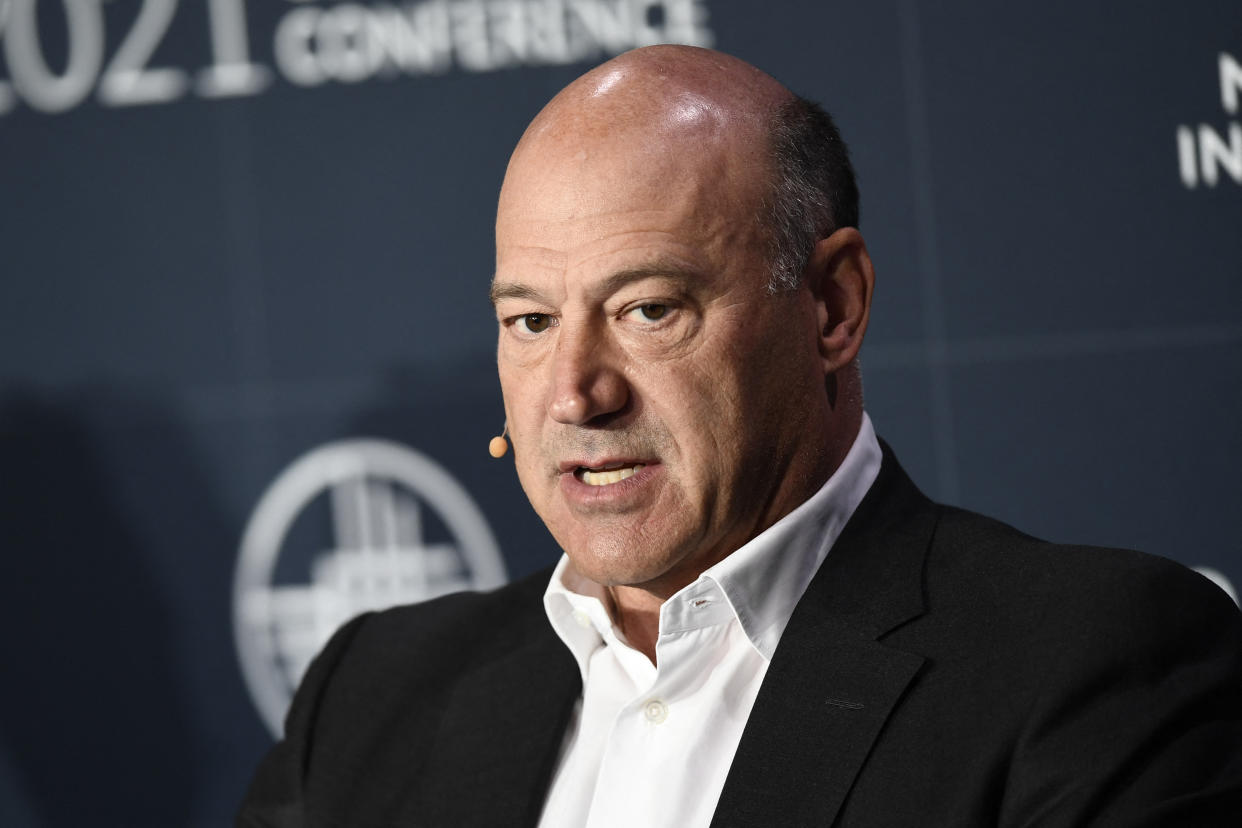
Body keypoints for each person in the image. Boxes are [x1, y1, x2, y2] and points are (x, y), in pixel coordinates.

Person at [238, 46, 1242, 827]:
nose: (576, 394)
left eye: (648, 309)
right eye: (531, 322)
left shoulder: (1086, 667)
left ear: (833, 307)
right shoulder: (371, 697)